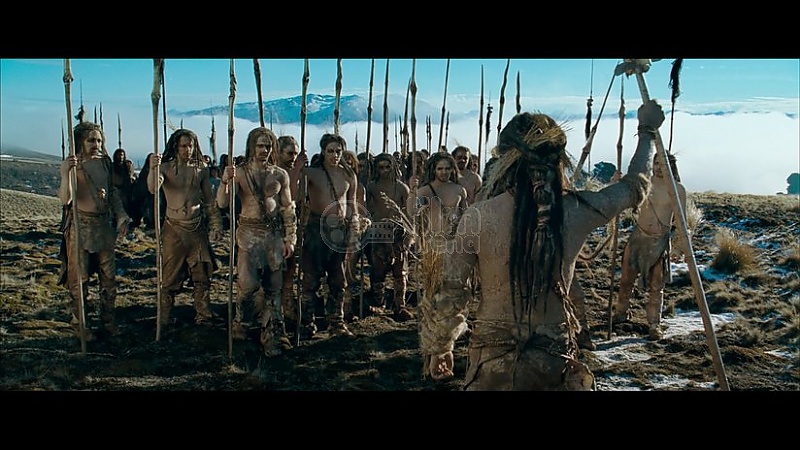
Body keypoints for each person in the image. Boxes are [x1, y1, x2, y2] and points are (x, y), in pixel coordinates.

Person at [418, 99, 665, 390]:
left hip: (492, 367)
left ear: (506, 161)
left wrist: (441, 346)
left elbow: (451, 288)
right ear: (557, 160)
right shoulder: (577, 211)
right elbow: (635, 186)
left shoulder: (479, 216)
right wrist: (647, 132)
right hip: (552, 365)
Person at [217, 127, 296, 356]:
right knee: (248, 285)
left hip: (273, 235)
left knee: (274, 287)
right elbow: (222, 203)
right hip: (248, 234)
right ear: (252, 146)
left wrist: (290, 239)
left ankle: (272, 333)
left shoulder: (280, 174)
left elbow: (287, 208)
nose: (264, 150)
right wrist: (225, 181)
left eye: (268, 146)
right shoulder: (240, 173)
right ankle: (242, 321)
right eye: (260, 146)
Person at [57, 121, 130, 341]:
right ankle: (81, 325)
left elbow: (112, 193)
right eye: (91, 140)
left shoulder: (105, 163)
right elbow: (65, 199)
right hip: (80, 227)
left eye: (98, 140)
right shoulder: (74, 165)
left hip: (103, 227)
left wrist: (121, 216)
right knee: (79, 281)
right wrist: (65, 173)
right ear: (80, 141)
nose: (95, 144)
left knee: (109, 279)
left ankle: (108, 322)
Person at [147, 128, 223, 329]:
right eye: (183, 146)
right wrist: (154, 169)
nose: (187, 150)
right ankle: (164, 316)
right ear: (175, 146)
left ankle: (203, 313)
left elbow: (209, 201)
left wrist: (216, 225)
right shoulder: (165, 168)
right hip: (173, 229)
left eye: (190, 146)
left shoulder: (201, 169)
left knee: (202, 273)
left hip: (197, 228)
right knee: (170, 275)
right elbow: (153, 188)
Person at [296, 133, 367, 339]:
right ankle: (307, 322)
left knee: (338, 279)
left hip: (340, 231)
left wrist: (354, 228)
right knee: (310, 279)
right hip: (316, 229)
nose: (335, 155)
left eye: (338, 151)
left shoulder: (348, 175)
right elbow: (295, 195)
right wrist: (298, 168)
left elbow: (352, 204)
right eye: (330, 151)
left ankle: (336, 321)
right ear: (323, 152)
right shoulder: (311, 173)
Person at [612, 152, 687, 340]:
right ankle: (620, 313)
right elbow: (622, 196)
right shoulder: (644, 182)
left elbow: (682, 221)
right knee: (626, 280)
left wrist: (680, 247)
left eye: (663, 164)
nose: (659, 168)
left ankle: (654, 324)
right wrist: (616, 182)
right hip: (638, 237)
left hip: (660, 242)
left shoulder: (677, 189)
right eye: (656, 163)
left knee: (656, 286)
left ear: (671, 167)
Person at [364, 152, 415, 321]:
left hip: (398, 232)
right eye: (381, 167)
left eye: (388, 167)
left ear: (393, 167)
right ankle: (379, 303)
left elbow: (409, 213)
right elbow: (365, 208)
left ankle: (400, 305)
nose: (384, 170)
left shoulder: (401, 188)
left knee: (400, 271)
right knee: (377, 269)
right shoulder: (371, 186)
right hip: (378, 232)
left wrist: (409, 235)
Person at [406, 152, 468, 248]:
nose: (444, 172)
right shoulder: (425, 191)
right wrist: (412, 191)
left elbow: (466, 216)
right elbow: (412, 212)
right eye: (440, 169)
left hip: (454, 241)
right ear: (434, 170)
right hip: (433, 243)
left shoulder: (459, 190)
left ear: (452, 169)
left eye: (447, 168)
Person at [275, 135, 305, 327]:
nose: (293, 157)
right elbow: (290, 195)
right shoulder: (275, 172)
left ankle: (287, 307)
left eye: (295, 154)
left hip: (290, 226)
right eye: (289, 153)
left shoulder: (292, 171)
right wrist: (297, 170)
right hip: (273, 226)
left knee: (290, 268)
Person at [111, 148, 136, 228]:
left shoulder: (126, 165)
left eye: (122, 155)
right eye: (119, 155)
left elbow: (131, 175)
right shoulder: (113, 166)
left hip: (127, 189)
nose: (121, 157)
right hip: (117, 189)